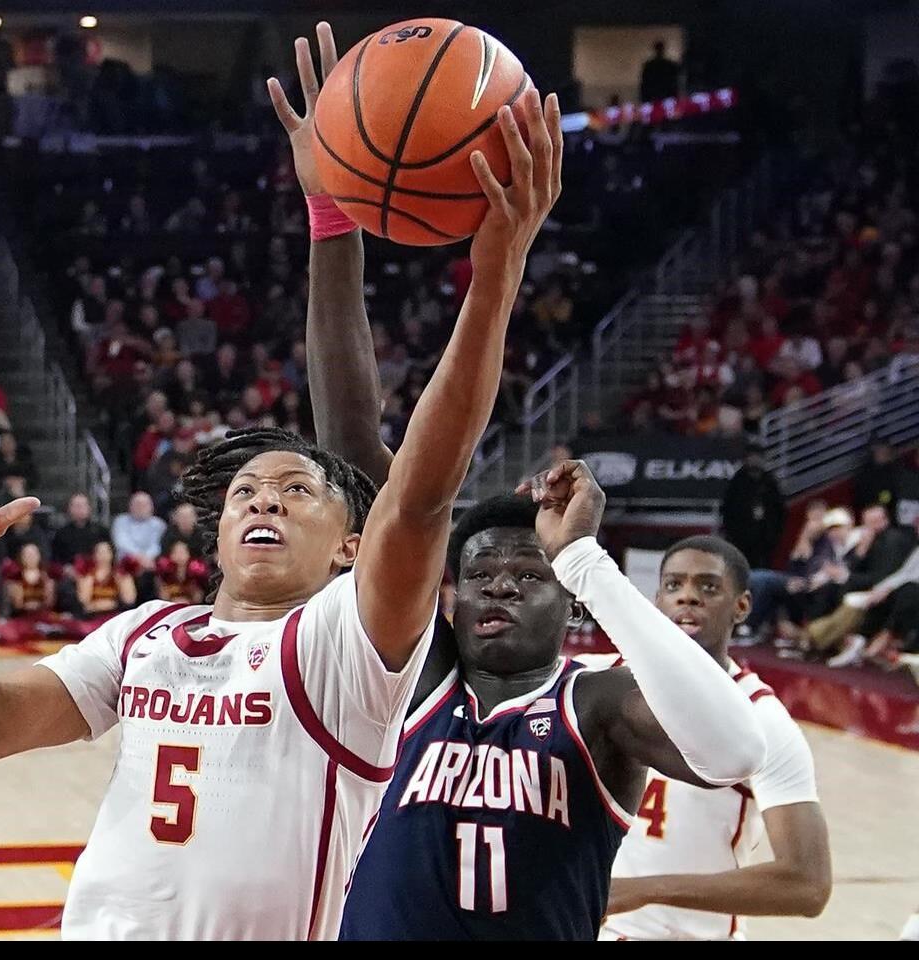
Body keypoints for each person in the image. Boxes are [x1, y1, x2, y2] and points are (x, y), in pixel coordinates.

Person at [0, 69, 566, 938]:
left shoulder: (345, 647)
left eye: (294, 489)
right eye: (245, 491)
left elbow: (419, 494)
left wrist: (493, 278)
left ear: (351, 545)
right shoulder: (144, 635)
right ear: (217, 528)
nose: (262, 500)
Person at [270, 24, 764, 942]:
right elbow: (350, 439)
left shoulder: (597, 705)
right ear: (447, 600)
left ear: (565, 600)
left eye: (526, 574)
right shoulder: (414, 681)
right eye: (484, 572)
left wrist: (584, 560)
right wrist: (332, 216)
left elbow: (737, 748)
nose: (500, 583)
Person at [599, 536, 831, 939]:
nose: (687, 597)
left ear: (742, 605)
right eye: (673, 585)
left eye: (707, 586)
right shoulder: (597, 684)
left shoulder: (762, 718)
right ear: (656, 599)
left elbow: (807, 884)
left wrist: (646, 891)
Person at [720, 443, 785, 569]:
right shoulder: (737, 482)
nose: (754, 460)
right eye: (751, 457)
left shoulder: (769, 481)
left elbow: (779, 508)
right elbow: (728, 509)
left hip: (765, 538)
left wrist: (774, 533)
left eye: (758, 457)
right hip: (741, 537)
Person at [76, 540, 137, 616]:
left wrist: (121, 581)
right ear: (93, 555)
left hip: (116, 615)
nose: (103, 556)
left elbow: (129, 600)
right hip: (92, 616)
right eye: (99, 552)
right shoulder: (87, 574)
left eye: (106, 552)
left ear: (112, 554)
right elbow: (83, 601)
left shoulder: (121, 574)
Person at [4, 542, 56, 615]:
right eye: (27, 554)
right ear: (22, 557)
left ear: (39, 556)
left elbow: (50, 602)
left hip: (42, 615)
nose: (31, 557)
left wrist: (38, 605)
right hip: (21, 616)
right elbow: (17, 604)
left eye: (33, 554)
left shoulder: (46, 578)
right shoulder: (16, 577)